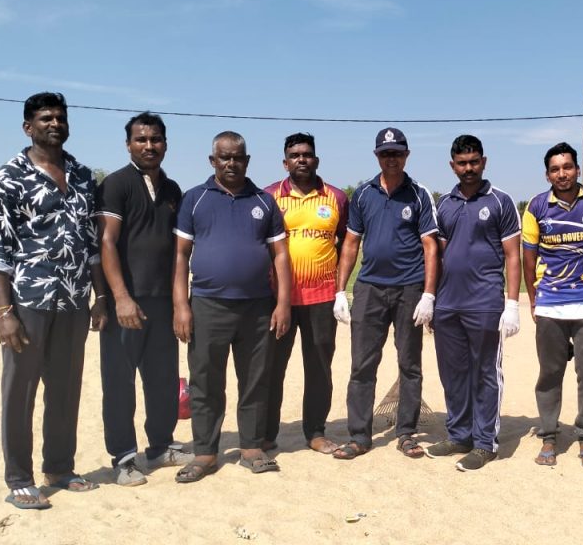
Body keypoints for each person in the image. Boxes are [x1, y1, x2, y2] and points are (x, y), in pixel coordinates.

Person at [0, 92, 108, 509]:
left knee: (65, 389)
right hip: (28, 301)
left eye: (60, 117)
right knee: (20, 391)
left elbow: (91, 244)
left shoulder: (82, 175)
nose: (55, 123)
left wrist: (100, 296)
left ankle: (59, 467)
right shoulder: (8, 176)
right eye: (45, 118)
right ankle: (19, 478)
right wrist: (4, 312)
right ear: (28, 127)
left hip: (73, 301)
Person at [171, 131, 291, 483]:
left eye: (238, 157)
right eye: (224, 157)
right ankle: (205, 452)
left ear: (247, 161)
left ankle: (252, 447)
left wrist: (283, 303)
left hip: (257, 307)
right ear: (213, 161)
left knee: (255, 379)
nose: (231, 163)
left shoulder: (264, 201)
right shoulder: (195, 199)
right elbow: (180, 255)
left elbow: (280, 255)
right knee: (206, 380)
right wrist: (181, 305)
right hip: (207, 304)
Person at [96, 112, 193, 487]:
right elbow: (106, 242)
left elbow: (179, 251)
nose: (149, 146)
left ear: (165, 144)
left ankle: (160, 446)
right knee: (119, 384)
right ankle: (123, 457)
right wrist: (120, 297)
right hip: (127, 304)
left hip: (162, 302)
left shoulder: (172, 190)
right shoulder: (115, 184)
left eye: (155, 139)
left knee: (163, 380)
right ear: (128, 145)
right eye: (141, 139)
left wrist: (179, 303)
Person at [332, 127, 439, 460]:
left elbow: (430, 245)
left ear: (406, 155)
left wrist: (429, 295)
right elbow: (351, 243)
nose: (391, 159)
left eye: (397, 153)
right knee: (362, 365)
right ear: (377, 156)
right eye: (385, 153)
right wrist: (340, 290)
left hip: (409, 288)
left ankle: (406, 432)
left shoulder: (419, 194)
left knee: (410, 364)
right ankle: (359, 436)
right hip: (370, 288)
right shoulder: (363, 194)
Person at [427, 135, 521, 471]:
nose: (469, 168)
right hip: (448, 302)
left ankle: (484, 443)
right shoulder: (444, 204)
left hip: (485, 301)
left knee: (485, 373)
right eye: (462, 163)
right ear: (452, 166)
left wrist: (512, 304)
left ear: (484, 162)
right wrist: (431, 297)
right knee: (453, 373)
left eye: (474, 162)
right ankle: (459, 435)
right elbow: (437, 254)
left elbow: (513, 255)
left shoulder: (500, 201)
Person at [521, 142, 583, 469]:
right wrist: (534, 300)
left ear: (577, 169)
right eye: (555, 169)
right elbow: (529, 257)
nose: (562, 174)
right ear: (547, 175)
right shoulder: (537, 206)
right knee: (550, 374)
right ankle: (548, 435)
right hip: (550, 305)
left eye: (567, 167)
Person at [264, 132, 348, 455]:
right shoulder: (269, 196)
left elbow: (347, 243)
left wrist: (340, 290)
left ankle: (315, 432)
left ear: (316, 160)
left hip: (322, 298)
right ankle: (266, 433)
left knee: (319, 369)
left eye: (307, 154)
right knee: (272, 368)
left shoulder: (336, 197)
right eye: (295, 155)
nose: (302, 159)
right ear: (285, 163)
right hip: (279, 300)